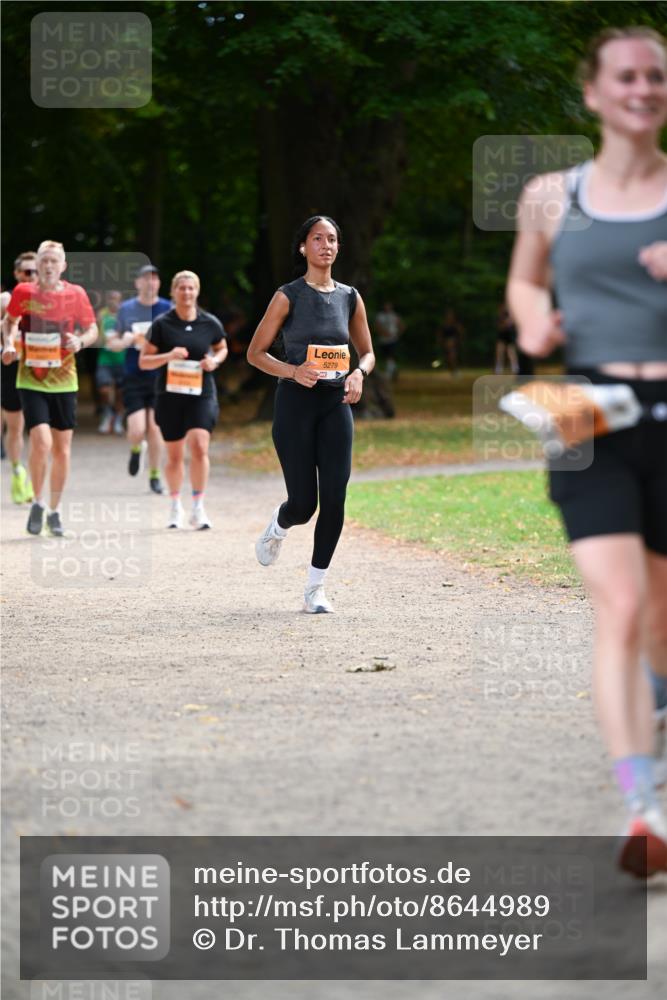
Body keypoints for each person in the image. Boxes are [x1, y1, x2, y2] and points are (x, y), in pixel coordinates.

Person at [507, 26, 667, 876]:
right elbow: (526, 277)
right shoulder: (549, 195)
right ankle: (640, 807)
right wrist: (533, 319)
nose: (643, 88)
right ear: (594, 94)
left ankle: (658, 719)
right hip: (588, 415)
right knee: (620, 607)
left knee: (662, 629)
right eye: (627, 76)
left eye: (657, 77)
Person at [247, 215, 375, 613]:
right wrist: (292, 371)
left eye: (333, 239)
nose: (326, 245)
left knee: (335, 498)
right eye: (317, 238)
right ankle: (279, 525)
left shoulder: (350, 296)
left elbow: (368, 352)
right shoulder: (288, 295)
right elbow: (255, 354)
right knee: (304, 504)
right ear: (303, 247)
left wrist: (359, 373)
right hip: (296, 406)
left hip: (336, 405)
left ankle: (314, 589)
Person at [2, 240, 97, 536]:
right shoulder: (23, 292)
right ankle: (38, 501)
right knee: (41, 441)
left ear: (63, 266)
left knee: (62, 449)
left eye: (54, 260)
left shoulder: (76, 294)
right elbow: (10, 321)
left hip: (64, 379)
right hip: (30, 378)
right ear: (39, 264)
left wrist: (80, 341)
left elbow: (92, 329)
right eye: (44, 260)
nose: (48, 265)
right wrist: (7, 343)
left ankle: (54, 511)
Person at [139, 270, 227, 530]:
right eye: (182, 288)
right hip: (170, 396)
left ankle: (198, 507)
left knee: (200, 446)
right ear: (173, 292)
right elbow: (144, 361)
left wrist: (215, 360)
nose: (187, 293)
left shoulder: (209, 323)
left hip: (202, 393)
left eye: (191, 288)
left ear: (197, 292)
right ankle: (176, 506)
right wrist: (168, 356)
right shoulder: (162, 324)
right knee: (175, 455)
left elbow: (221, 347)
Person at [107, 264, 170, 493]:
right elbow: (112, 341)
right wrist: (124, 341)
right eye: (145, 278)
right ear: (137, 283)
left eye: (154, 278)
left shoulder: (167, 307)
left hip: (159, 375)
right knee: (136, 429)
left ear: (159, 283)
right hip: (133, 374)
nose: (150, 282)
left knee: (155, 428)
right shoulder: (126, 309)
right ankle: (136, 449)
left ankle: (154, 475)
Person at [1, 251, 37, 504]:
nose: (31, 276)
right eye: (26, 272)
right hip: (11, 369)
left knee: (39, 428)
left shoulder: (49, 299)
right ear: (16, 274)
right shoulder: (6, 299)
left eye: (35, 271)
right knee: (15, 427)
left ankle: (34, 479)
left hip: (40, 369)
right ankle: (16, 471)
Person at [95, 289, 125, 434]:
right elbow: (96, 337)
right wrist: (102, 339)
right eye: (111, 298)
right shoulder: (101, 315)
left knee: (121, 392)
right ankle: (108, 415)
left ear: (120, 300)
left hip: (122, 359)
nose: (113, 301)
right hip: (105, 358)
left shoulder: (125, 314)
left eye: (116, 298)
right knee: (104, 390)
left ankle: (118, 418)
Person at [375, 301, 404, 380]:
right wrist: (384, 333)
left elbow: (401, 325)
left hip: (392, 340)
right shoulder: (380, 316)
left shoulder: (394, 316)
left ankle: (389, 373)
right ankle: (393, 370)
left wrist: (397, 334)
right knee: (386, 356)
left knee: (390, 356)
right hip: (383, 340)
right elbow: (377, 327)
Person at [436, 307, 464, 376]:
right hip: (446, 344)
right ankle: (452, 369)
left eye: (451, 315)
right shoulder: (444, 325)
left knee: (452, 355)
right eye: (448, 315)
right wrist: (441, 342)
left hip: (454, 344)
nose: (450, 316)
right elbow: (439, 335)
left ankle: (454, 370)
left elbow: (461, 333)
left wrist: (458, 341)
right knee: (449, 356)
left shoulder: (456, 325)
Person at [494, 304, 520, 375]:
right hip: (502, 334)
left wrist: (508, 323)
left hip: (509, 334)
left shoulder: (511, 313)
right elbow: (499, 325)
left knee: (511, 351)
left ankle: (515, 366)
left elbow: (512, 322)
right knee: (500, 351)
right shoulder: (500, 315)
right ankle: (499, 366)